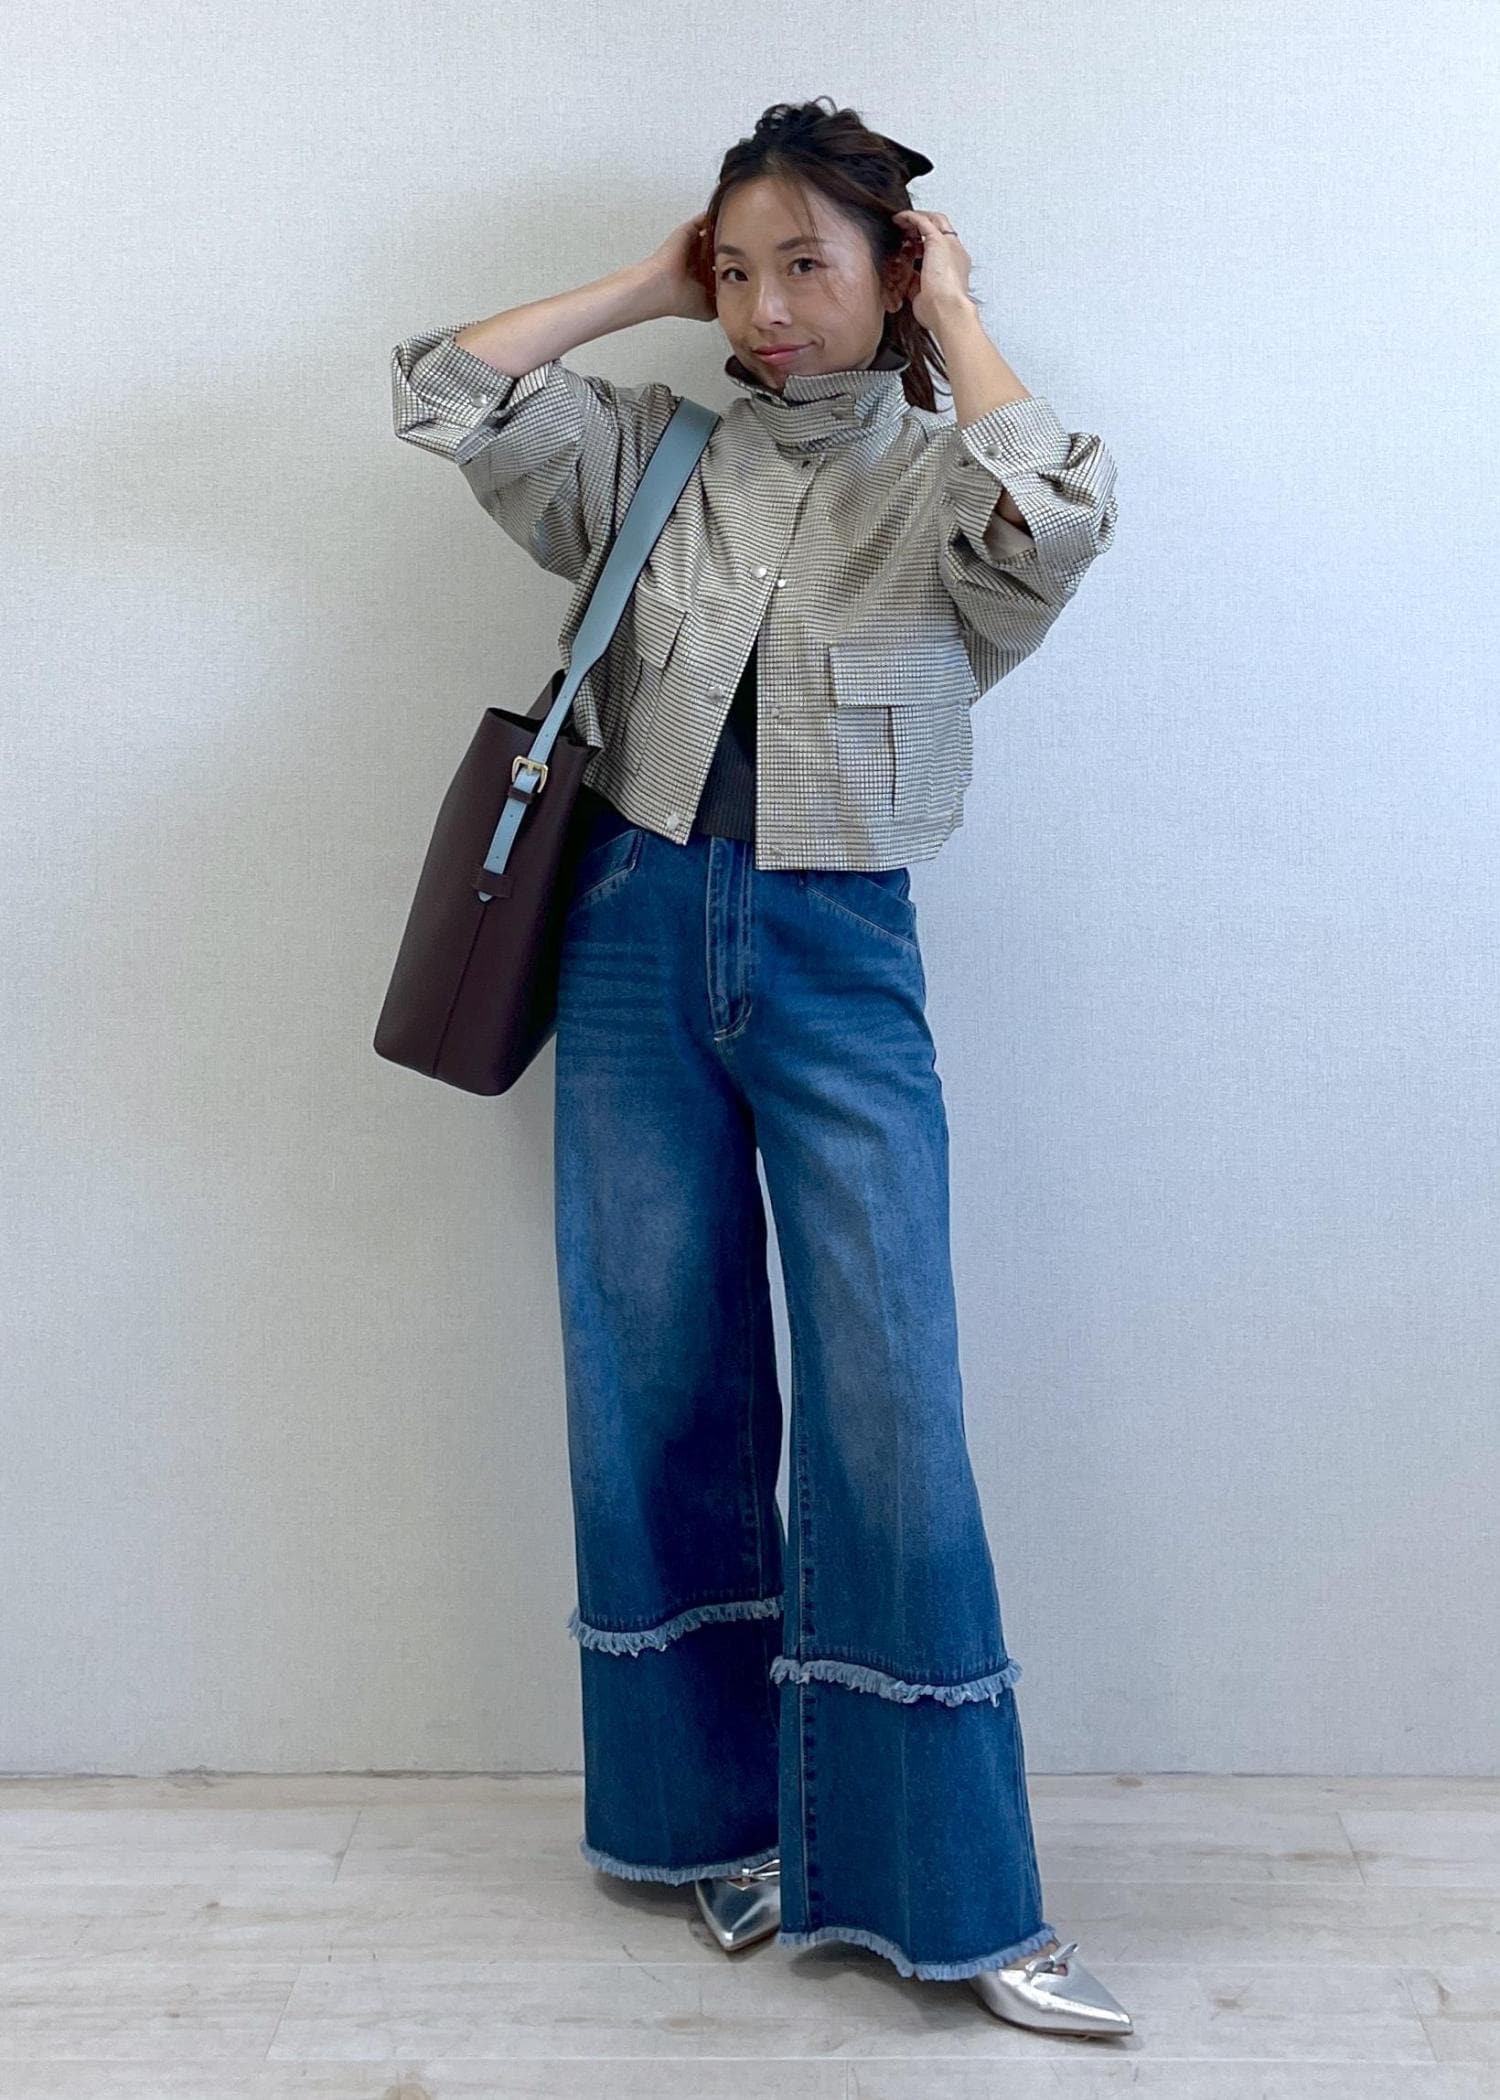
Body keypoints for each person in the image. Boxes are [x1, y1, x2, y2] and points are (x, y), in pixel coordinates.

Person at [391, 97, 1127, 2039]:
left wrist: (954, 315)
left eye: (810, 263)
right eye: (739, 269)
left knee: (892, 1402)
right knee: (657, 1376)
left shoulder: (950, 485)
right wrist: (650, 283)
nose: (769, 306)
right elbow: (444, 389)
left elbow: (1064, 520)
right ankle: (708, 1827)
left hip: (838, 955)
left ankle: (953, 1893)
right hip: (632, 932)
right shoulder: (654, 451)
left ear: (895, 268)